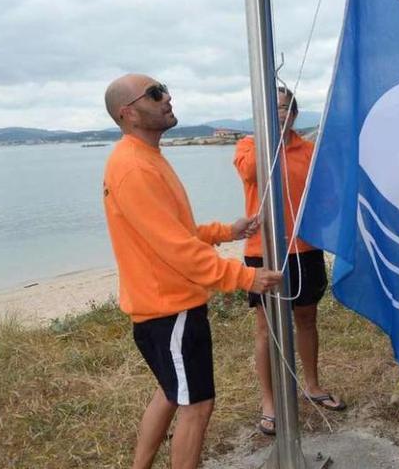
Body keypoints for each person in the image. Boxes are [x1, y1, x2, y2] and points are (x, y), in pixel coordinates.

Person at [102, 74, 282, 469]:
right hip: (171, 309)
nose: (167, 97)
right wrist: (245, 277)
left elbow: (171, 231)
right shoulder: (133, 167)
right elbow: (177, 250)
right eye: (154, 93)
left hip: (161, 307)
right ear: (128, 113)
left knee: (171, 393)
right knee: (197, 405)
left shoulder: (144, 159)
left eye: (163, 89)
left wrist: (225, 232)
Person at [233, 86, 345, 435]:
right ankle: (270, 402)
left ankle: (311, 384)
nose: (278, 113)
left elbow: (327, 194)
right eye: (271, 108)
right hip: (262, 250)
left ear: (294, 114)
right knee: (266, 329)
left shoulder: (308, 151)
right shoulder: (249, 146)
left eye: (283, 108)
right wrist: (270, 136)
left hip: (304, 249)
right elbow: (251, 173)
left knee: (306, 318)